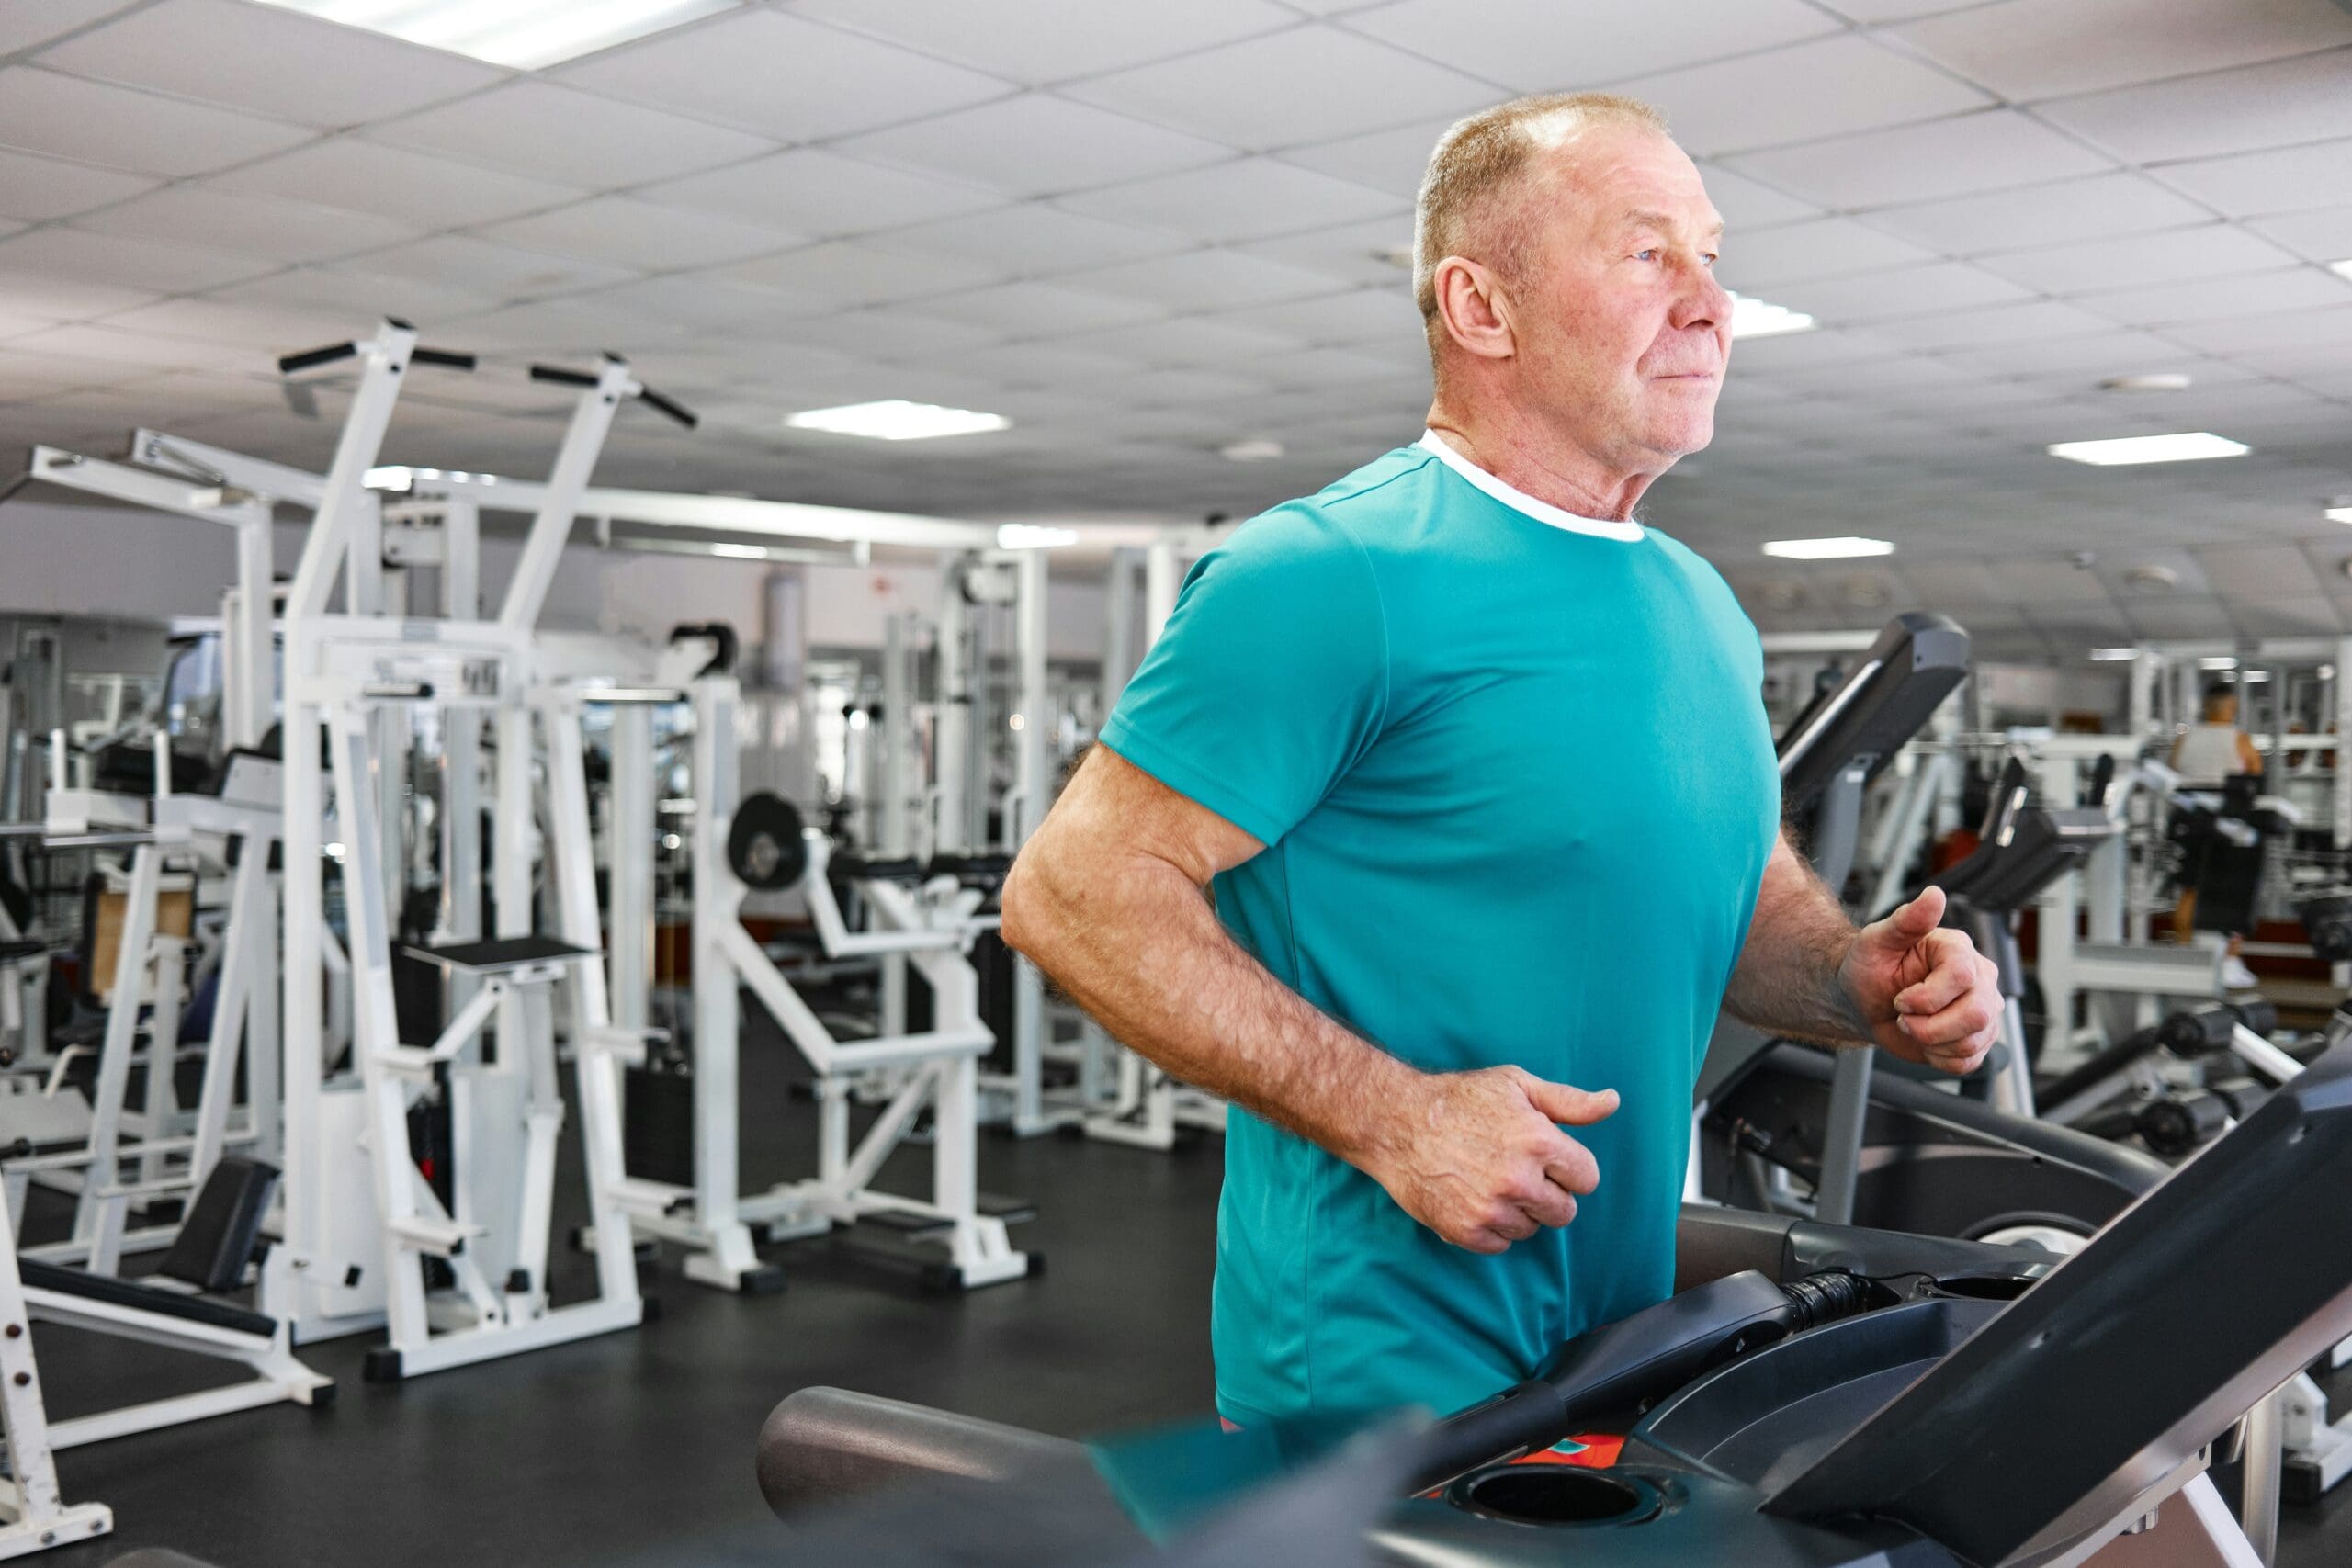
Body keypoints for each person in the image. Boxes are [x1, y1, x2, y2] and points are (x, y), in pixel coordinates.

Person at [998, 92, 2005, 1429]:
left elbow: (1734, 889)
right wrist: (1391, 1114)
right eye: (1649, 253)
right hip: (1372, 1375)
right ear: (1482, 309)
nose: (1711, 303)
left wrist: (1851, 975)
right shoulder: (1332, 571)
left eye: (1714, 255)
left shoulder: (1700, 605)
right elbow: (1069, 894)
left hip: (1619, 1344)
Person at [2170, 682, 2266, 988]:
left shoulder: (2185, 740)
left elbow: (2174, 772)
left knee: (2189, 889)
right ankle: (2229, 961)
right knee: (2232, 890)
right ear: (2229, 707)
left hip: (2190, 823)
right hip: (2226, 824)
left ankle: (2185, 954)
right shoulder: (2238, 739)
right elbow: (2255, 773)